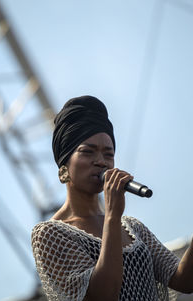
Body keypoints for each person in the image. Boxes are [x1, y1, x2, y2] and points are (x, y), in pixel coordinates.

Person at [31, 95, 193, 301]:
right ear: (64, 169)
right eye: (87, 152)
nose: (101, 162)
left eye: (108, 154)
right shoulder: (50, 234)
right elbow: (103, 296)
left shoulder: (133, 228)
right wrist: (112, 217)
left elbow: (184, 281)